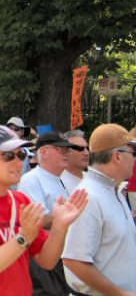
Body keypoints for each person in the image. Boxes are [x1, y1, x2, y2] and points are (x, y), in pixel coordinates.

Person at [0, 125, 88, 295]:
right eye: (8, 155)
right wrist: (23, 238)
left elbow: (46, 261)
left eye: (20, 155)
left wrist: (59, 226)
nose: (18, 162)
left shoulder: (20, 201)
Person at [62, 124, 136, 295]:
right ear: (117, 156)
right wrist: (120, 293)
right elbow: (74, 260)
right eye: (133, 153)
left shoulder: (112, 190)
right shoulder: (89, 196)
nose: (134, 159)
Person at [18, 131, 80, 295]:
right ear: (44, 152)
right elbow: (37, 220)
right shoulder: (32, 179)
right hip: (42, 260)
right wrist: (67, 213)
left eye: (68, 150)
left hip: (59, 258)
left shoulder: (58, 179)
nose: (67, 153)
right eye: (61, 149)